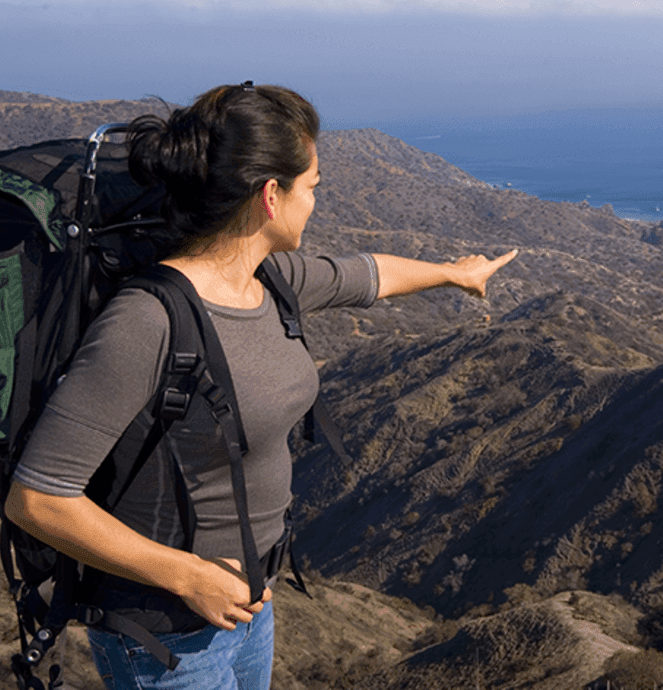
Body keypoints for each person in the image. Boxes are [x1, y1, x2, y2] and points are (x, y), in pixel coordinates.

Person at [4, 83, 517, 690]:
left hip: (250, 601)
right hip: (165, 631)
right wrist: (187, 576)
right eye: (314, 188)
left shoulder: (269, 280)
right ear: (272, 195)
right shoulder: (147, 321)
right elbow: (37, 498)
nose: (317, 204)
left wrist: (457, 276)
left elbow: (368, 275)